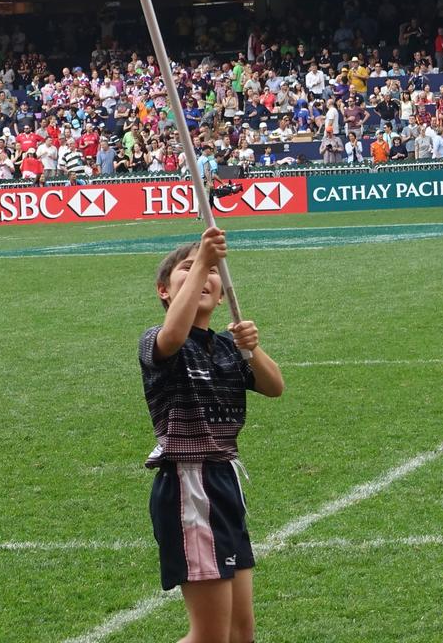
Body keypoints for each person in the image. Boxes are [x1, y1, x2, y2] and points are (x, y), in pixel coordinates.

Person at [143, 227, 285, 643]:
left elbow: (274, 386)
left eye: (210, 271)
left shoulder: (225, 346)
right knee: (209, 636)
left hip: (223, 482)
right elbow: (172, 335)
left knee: (241, 632)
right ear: (164, 291)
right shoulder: (158, 341)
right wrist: (205, 258)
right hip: (190, 485)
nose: (202, 274)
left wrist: (252, 347)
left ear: (222, 295)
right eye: (187, 269)